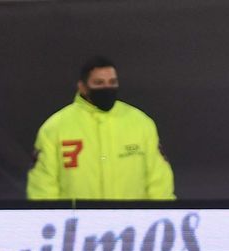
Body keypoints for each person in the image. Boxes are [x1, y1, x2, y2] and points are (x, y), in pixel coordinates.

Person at [26, 56, 175, 201]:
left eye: (112, 82)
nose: (107, 88)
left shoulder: (141, 123)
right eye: (99, 83)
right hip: (77, 223)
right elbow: (42, 186)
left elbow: (159, 181)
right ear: (82, 87)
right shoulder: (54, 128)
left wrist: (165, 216)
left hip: (130, 223)